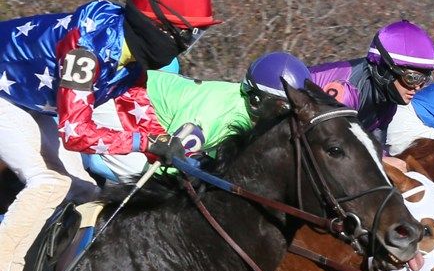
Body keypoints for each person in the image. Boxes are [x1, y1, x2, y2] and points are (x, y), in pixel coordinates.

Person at [0, 0, 221, 271]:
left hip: (28, 101)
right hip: (10, 99)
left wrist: (174, 151)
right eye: (187, 34)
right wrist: (145, 144)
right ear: (157, 26)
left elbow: (136, 107)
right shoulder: (85, 51)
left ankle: (37, 268)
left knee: (86, 191)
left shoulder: (132, 54)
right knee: (49, 183)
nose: (188, 46)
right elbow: (75, 133)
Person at [85, 52, 313, 185]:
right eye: (285, 107)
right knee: (146, 176)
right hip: (116, 103)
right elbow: (167, 163)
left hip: (142, 105)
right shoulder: (215, 118)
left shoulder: (243, 107)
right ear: (257, 100)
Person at [308, 20, 434, 161]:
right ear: (385, 69)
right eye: (412, 78)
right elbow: (331, 148)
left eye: (424, 80)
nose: (417, 87)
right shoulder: (346, 91)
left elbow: (377, 149)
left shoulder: (389, 100)